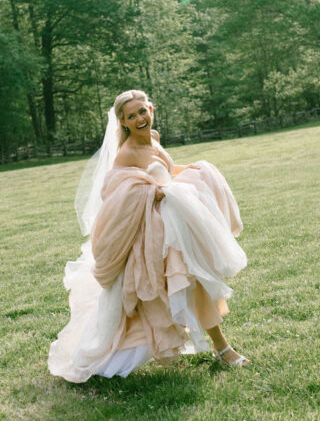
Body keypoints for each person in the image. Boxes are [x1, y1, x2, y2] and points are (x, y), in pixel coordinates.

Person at [48, 89, 250, 382]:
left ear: (151, 109)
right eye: (132, 116)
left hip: (174, 226)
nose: (140, 118)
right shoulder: (126, 154)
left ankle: (220, 347)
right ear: (124, 123)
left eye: (143, 111)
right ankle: (222, 349)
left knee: (195, 281)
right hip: (154, 234)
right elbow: (115, 194)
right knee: (191, 282)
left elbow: (165, 170)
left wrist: (190, 170)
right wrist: (150, 193)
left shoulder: (153, 138)